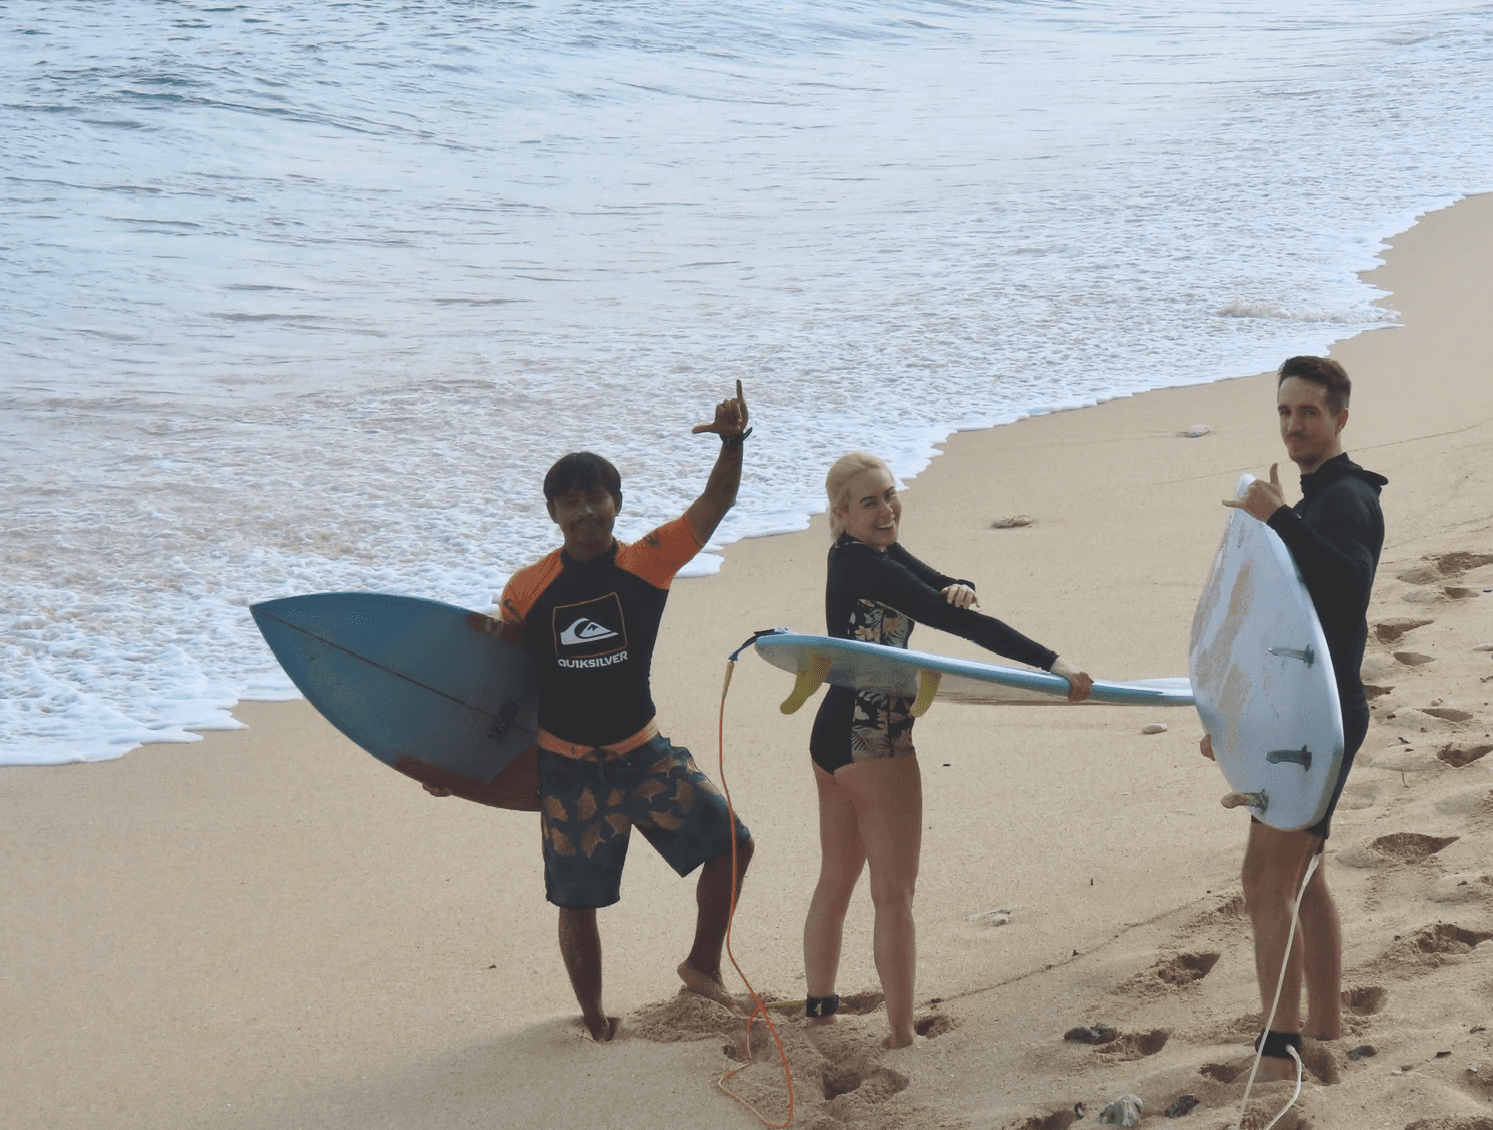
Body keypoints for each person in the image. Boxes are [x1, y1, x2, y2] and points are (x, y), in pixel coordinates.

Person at [427, 382, 755, 1043]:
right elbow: (497, 690)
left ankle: (701, 965)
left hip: (644, 753)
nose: (585, 511)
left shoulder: (647, 563)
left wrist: (730, 443)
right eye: (570, 501)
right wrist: (454, 767)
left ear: (616, 503)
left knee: (731, 843)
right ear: (552, 512)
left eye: (595, 497)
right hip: (569, 769)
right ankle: (595, 1018)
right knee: (577, 901)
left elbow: (715, 504)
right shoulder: (527, 589)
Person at [802, 452, 1093, 1049]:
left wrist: (960, 587)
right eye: (869, 503)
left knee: (837, 876)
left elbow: (937, 587)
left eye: (889, 495)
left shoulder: (859, 556)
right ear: (840, 513)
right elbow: (954, 622)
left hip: (831, 732)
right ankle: (902, 1035)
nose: (886, 510)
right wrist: (1053, 662)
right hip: (875, 738)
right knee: (893, 892)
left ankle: (821, 1010)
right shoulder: (872, 565)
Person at [1204, 355, 1387, 1078]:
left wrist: (1275, 517)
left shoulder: (1343, 499)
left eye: (1307, 412)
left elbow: (1346, 590)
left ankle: (1278, 1049)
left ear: (1339, 417)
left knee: (1263, 881)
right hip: (1305, 712)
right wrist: (1233, 711)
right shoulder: (1318, 498)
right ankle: (1325, 1024)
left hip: (1315, 721)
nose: (1293, 426)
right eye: (1283, 413)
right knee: (1302, 872)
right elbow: (1279, 620)